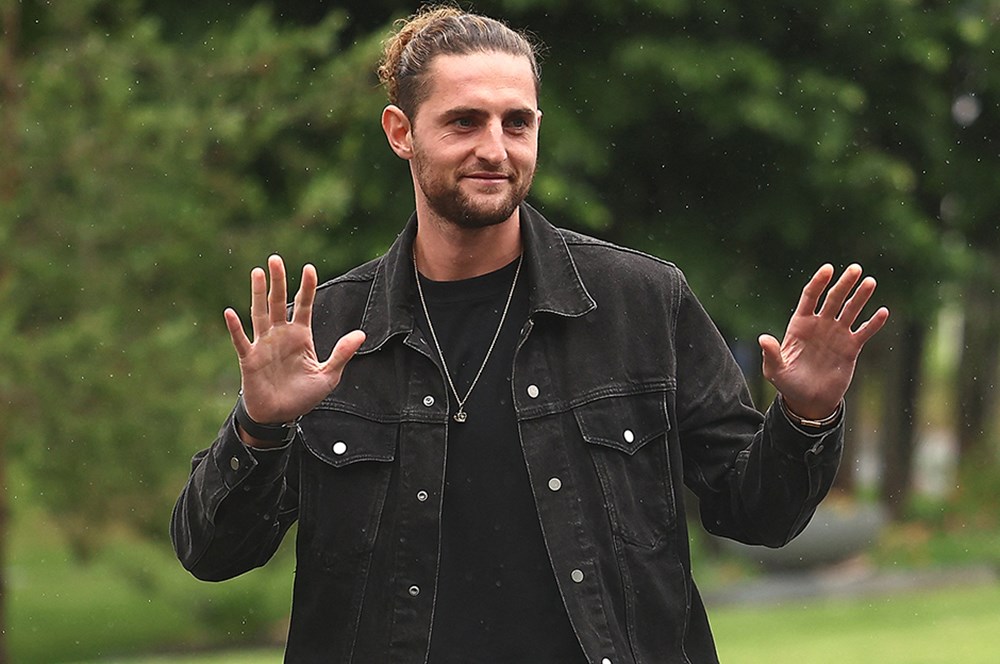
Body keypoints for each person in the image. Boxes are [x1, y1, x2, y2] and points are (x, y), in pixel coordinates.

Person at [170, 6, 890, 663]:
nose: (495, 148)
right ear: (401, 132)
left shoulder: (641, 302)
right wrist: (260, 428)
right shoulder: (329, 331)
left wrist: (806, 416)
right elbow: (213, 553)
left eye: (517, 123)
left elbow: (758, 514)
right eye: (464, 122)